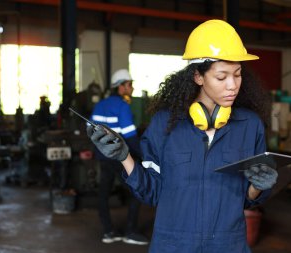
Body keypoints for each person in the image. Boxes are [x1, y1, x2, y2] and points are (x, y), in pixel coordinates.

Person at [87, 19, 278, 253]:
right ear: (198, 76)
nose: (233, 85)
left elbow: (248, 199)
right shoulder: (164, 124)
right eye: (222, 77)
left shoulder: (249, 125)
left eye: (237, 74)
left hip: (228, 245)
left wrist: (258, 186)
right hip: (173, 245)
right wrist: (124, 156)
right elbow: (152, 192)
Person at [89, 69, 149, 245]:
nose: (132, 88)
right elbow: (130, 137)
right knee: (137, 192)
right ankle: (130, 232)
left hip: (103, 157)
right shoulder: (123, 106)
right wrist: (145, 156)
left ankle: (108, 232)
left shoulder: (100, 105)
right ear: (120, 87)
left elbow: (90, 129)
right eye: (129, 84)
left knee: (104, 193)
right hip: (119, 159)